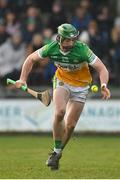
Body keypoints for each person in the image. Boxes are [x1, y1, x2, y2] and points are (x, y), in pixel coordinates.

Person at [15, 23, 111, 170]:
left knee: (71, 125)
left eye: (73, 40)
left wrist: (104, 85)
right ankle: (56, 150)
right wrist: (23, 79)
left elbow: (102, 68)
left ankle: (57, 152)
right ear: (59, 38)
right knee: (60, 112)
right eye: (67, 40)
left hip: (82, 86)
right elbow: (30, 59)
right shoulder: (51, 47)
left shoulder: (82, 49)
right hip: (62, 81)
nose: (71, 43)